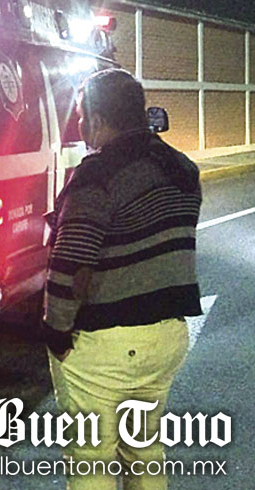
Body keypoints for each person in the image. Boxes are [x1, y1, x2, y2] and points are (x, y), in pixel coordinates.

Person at [42, 69, 202, 490]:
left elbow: (70, 263)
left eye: (81, 116)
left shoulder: (98, 174)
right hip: (167, 338)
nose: (79, 125)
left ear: (97, 120)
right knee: (144, 453)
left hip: (108, 345)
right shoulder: (182, 168)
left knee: (92, 461)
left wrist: (56, 333)